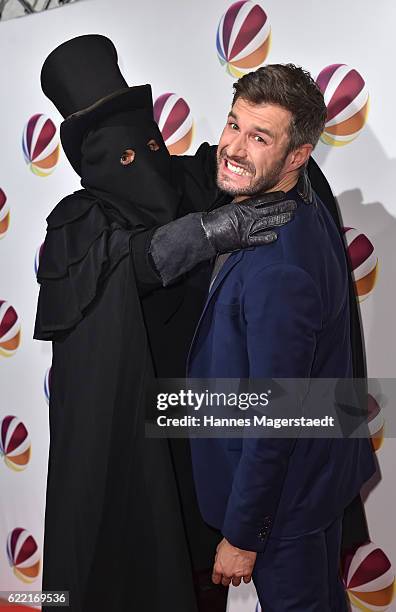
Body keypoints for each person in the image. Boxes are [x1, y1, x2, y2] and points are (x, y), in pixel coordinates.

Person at [34, 35, 296, 612]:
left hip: (199, 439)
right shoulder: (79, 223)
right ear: (92, 165)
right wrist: (208, 233)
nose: (144, 161)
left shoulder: (192, 179)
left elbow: (264, 164)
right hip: (128, 452)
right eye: (125, 156)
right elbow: (131, 258)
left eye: (150, 142)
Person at [187, 64, 376, 611]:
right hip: (313, 483)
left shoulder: (279, 268)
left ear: (298, 155)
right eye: (233, 125)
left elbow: (277, 417)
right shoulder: (302, 195)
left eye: (259, 137)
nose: (232, 148)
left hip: (284, 506)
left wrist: (244, 535)